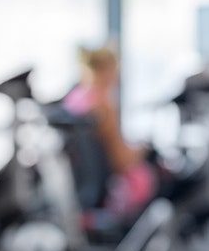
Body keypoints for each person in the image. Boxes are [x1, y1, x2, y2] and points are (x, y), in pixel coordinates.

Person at [62, 43, 157, 220]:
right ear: (108, 69)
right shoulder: (102, 104)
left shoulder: (74, 98)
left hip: (81, 187)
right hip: (111, 190)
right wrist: (143, 149)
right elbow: (120, 161)